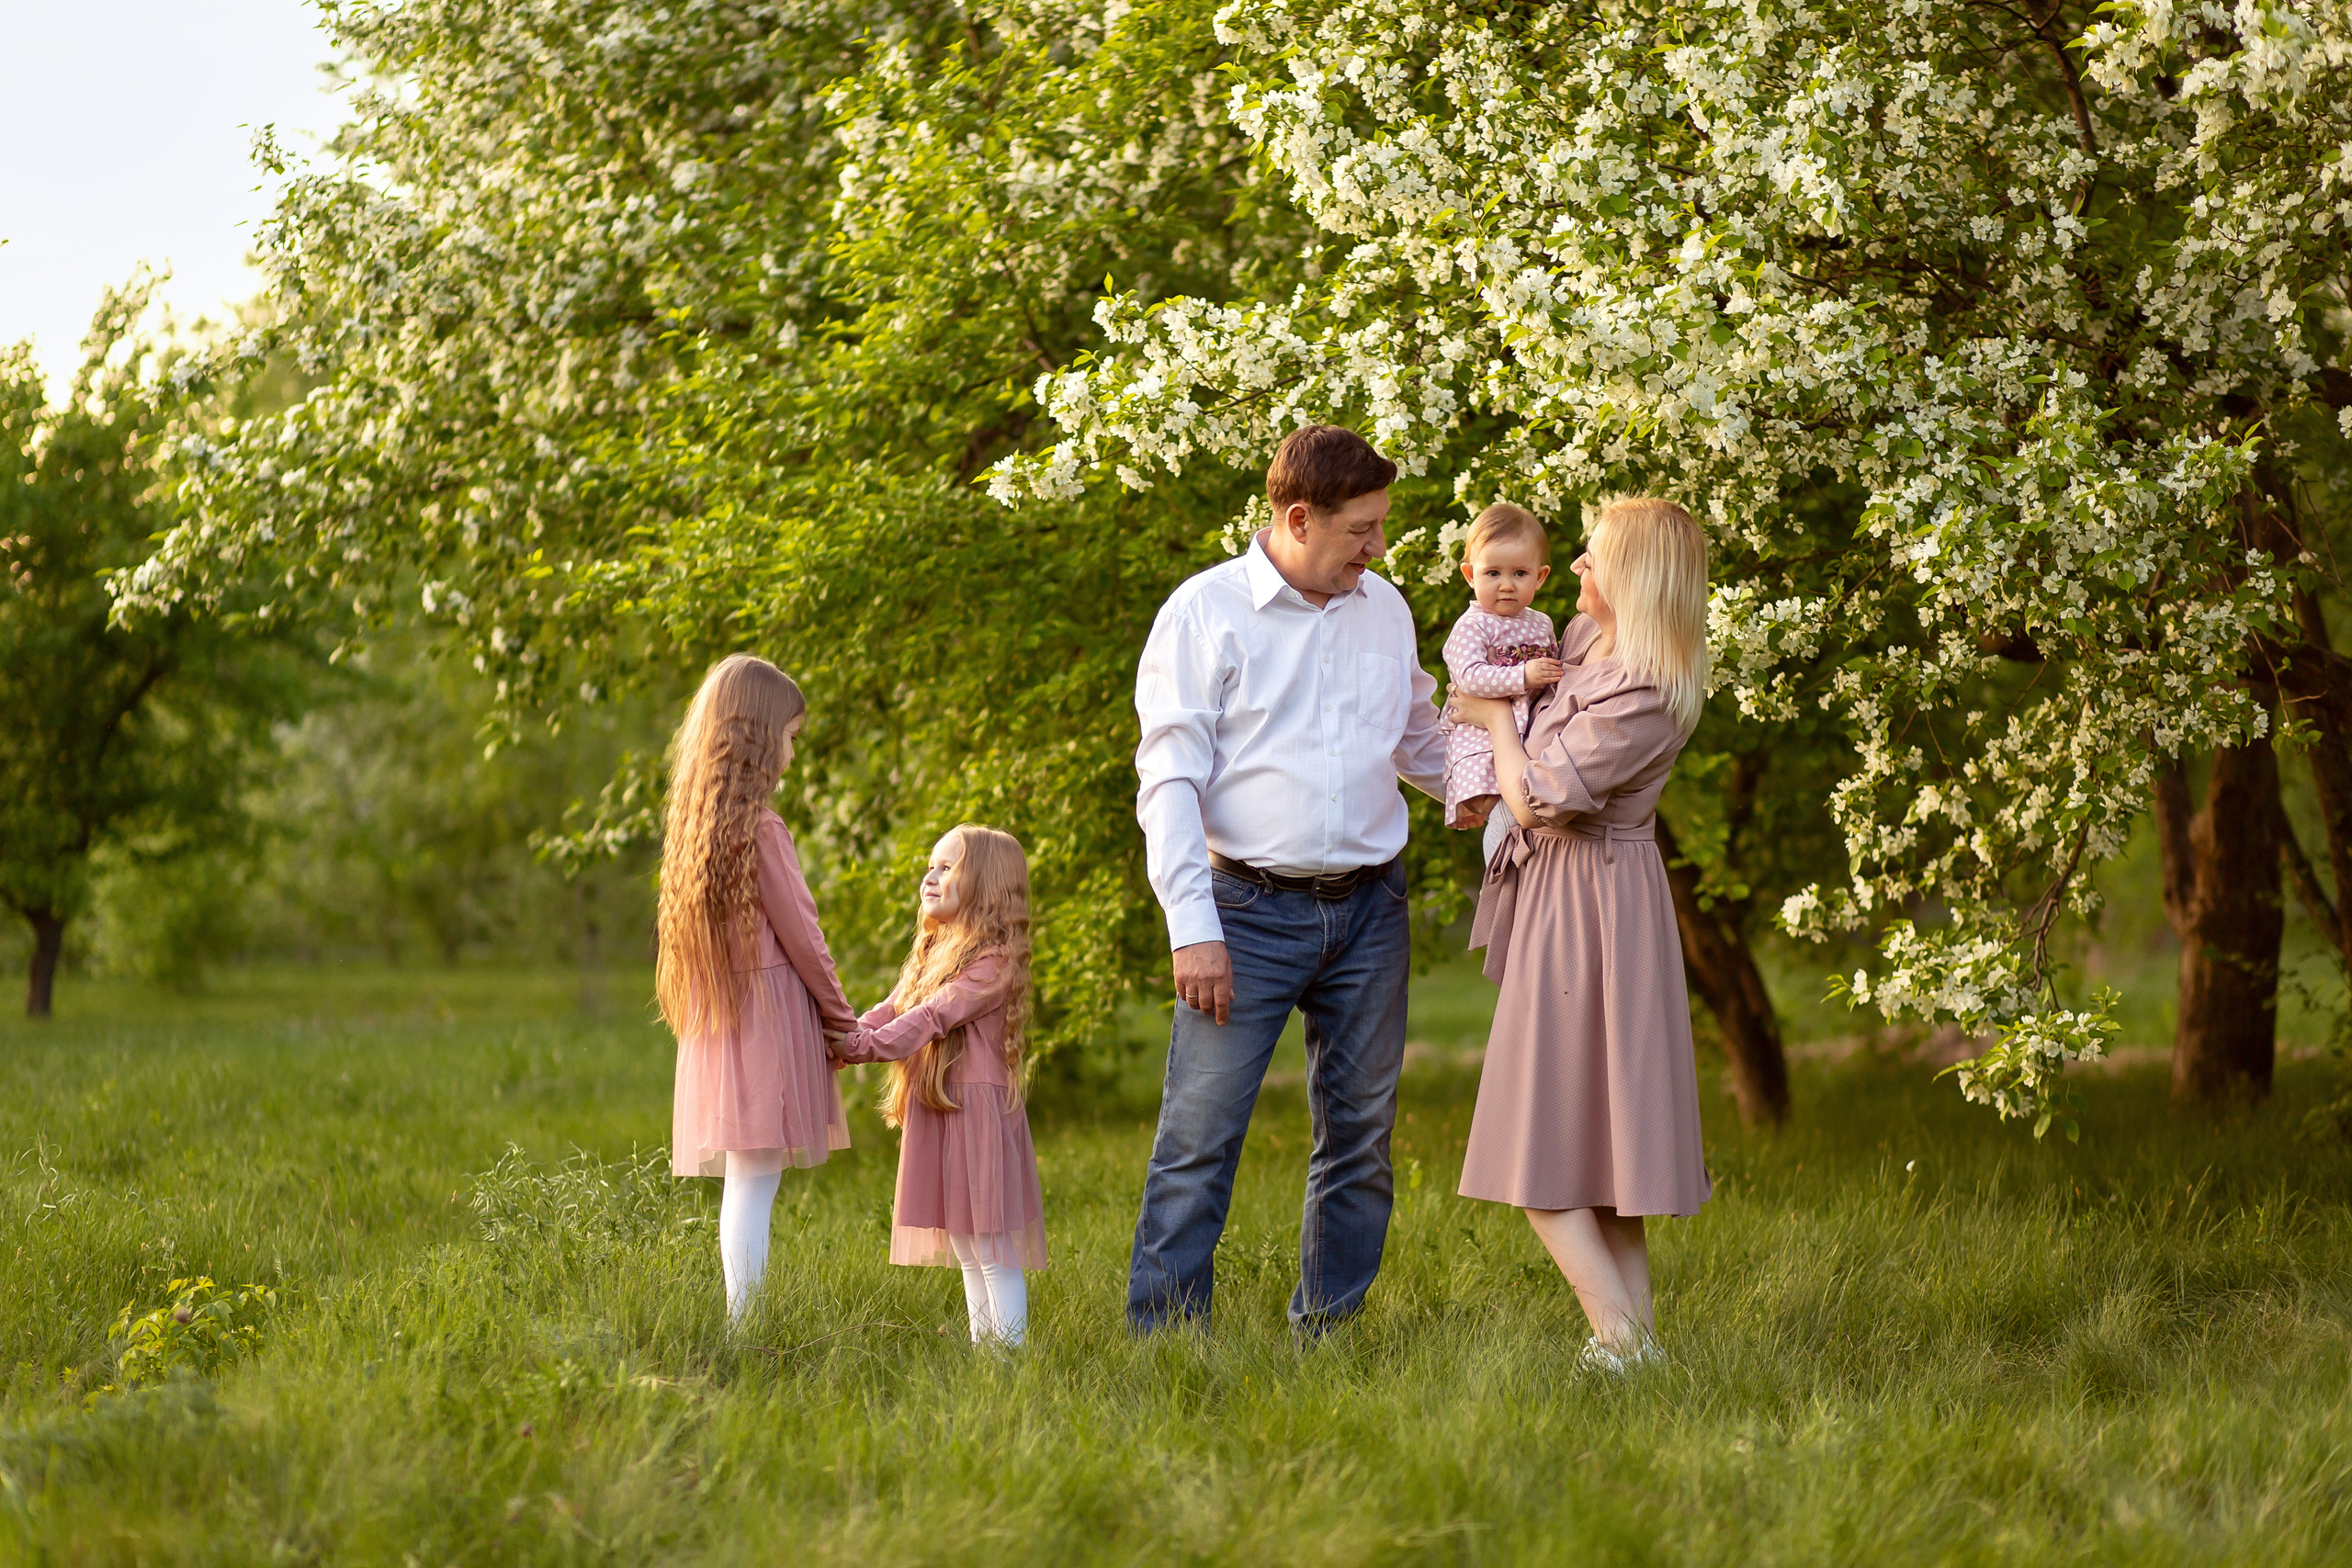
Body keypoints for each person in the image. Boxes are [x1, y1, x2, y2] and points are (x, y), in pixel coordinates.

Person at [1128, 423, 1449, 1334]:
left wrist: (1498, 792)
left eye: (1380, 527)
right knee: (1199, 1140)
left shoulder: (1382, 607)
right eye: (1362, 529)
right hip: (1241, 914)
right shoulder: (1205, 614)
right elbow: (1171, 781)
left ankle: (1329, 1340)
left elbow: (1417, 738)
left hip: (1371, 910)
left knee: (1360, 1141)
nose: (1377, 547)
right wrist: (1192, 926)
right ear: (1298, 518)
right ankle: (1167, 1347)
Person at [1448, 496, 1713, 1374]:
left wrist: (1485, 719)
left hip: (1591, 902)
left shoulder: (1645, 683)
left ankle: (1621, 1339)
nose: (1573, 571)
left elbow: (1540, 796)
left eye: (1592, 558)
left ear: (1631, 576)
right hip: (1577, 893)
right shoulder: (1591, 645)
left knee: (1542, 1159)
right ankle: (1638, 1354)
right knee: (1603, 1159)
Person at [657, 654, 857, 1327]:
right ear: (760, 736)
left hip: (722, 1019)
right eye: (792, 736)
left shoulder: (699, 831)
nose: (793, 753)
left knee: (745, 1183)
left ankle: (743, 1319)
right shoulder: (763, 830)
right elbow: (805, 936)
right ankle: (745, 1325)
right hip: (766, 1022)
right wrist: (842, 1020)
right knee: (754, 1183)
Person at [828, 824, 1046, 1347]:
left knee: (991, 1247)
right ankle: (986, 1357)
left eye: (948, 867)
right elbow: (895, 1008)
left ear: (987, 885)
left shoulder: (994, 960)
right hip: (945, 1106)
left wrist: (859, 1048)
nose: (931, 875)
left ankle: (1010, 1362)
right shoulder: (934, 949)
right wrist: (851, 1032)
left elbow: (932, 1016)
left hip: (977, 1111)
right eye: (931, 865)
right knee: (967, 1246)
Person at [1440, 502, 1564, 864]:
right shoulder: (1472, 626)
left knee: (1529, 819)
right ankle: (1500, 884)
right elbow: (1470, 678)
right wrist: (1522, 676)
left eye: (1520, 574)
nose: (1506, 585)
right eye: (1492, 573)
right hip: (1482, 740)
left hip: (1525, 738)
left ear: (1540, 577)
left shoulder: (1541, 624)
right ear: (1469, 574)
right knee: (1502, 820)